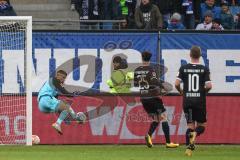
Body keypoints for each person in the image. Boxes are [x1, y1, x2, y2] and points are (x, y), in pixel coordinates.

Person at [134, 51, 179, 148]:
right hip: (153, 97)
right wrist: (163, 87)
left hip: (143, 98)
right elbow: (154, 81)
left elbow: (136, 84)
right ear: (150, 59)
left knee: (157, 119)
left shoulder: (137, 70)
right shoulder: (151, 70)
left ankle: (148, 135)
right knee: (164, 117)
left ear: (142, 58)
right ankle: (168, 142)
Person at [175, 46, 212, 156]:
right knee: (202, 125)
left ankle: (188, 149)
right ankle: (195, 134)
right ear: (200, 56)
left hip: (187, 102)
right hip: (199, 102)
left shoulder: (183, 68)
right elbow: (209, 85)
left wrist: (181, 91)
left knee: (190, 126)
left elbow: (176, 84)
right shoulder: (204, 69)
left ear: (190, 55)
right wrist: (203, 92)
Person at [38, 70, 84, 135]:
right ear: (57, 76)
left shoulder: (51, 85)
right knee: (66, 105)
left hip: (41, 106)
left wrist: (71, 95)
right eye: (63, 77)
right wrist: (73, 94)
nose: (63, 80)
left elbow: (56, 99)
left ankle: (60, 122)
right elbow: (64, 92)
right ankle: (76, 118)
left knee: (64, 108)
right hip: (46, 98)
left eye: (65, 78)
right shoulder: (55, 80)